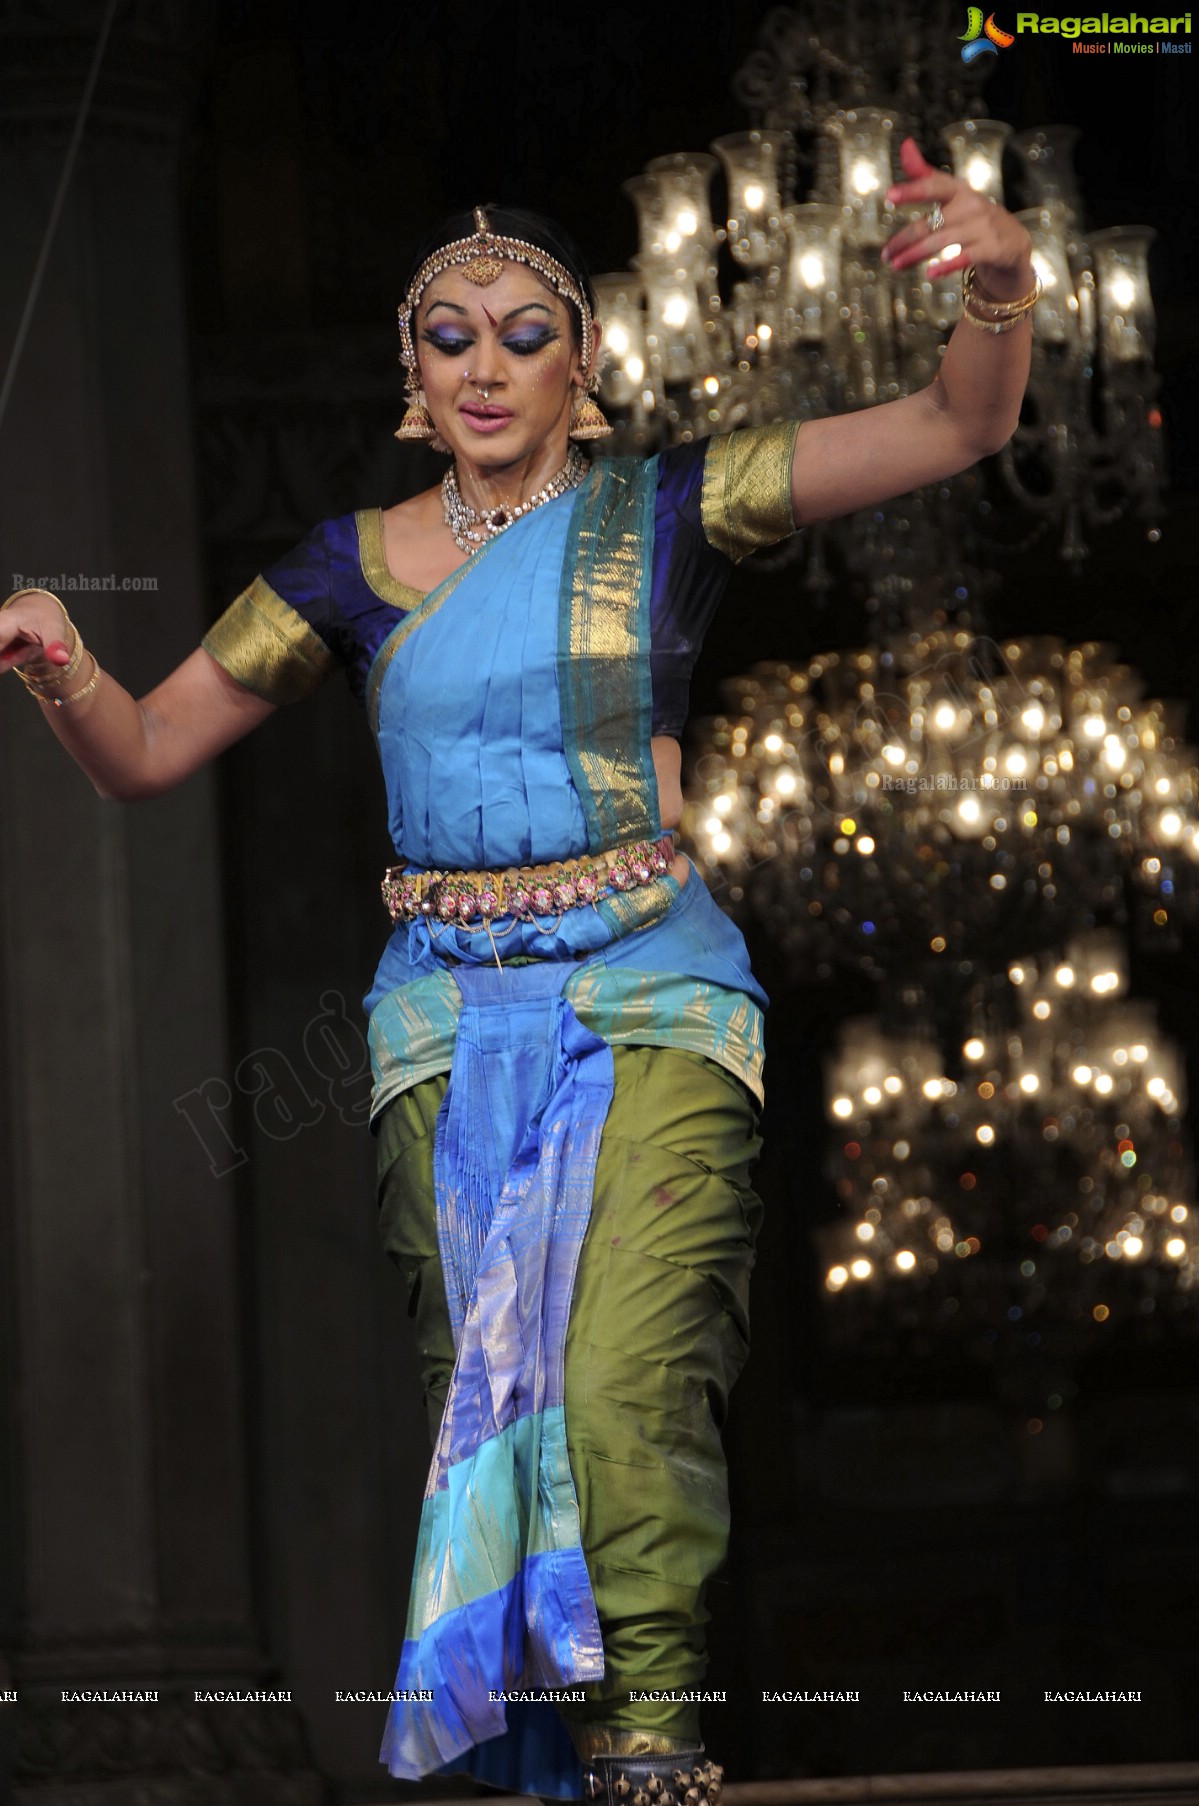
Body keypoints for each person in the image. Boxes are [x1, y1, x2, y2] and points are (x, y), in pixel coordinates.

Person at [1, 140, 1035, 1803]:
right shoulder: (342, 567)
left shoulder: (673, 507)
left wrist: (995, 287)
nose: (486, 367)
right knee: (498, 1413)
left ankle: (653, 1757)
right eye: (451, 336)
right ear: (409, 371)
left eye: (524, 333)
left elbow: (954, 424)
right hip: (443, 1026)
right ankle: (558, 1764)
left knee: (625, 1382)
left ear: (588, 361)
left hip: (650, 998)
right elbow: (140, 751)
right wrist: (60, 660)